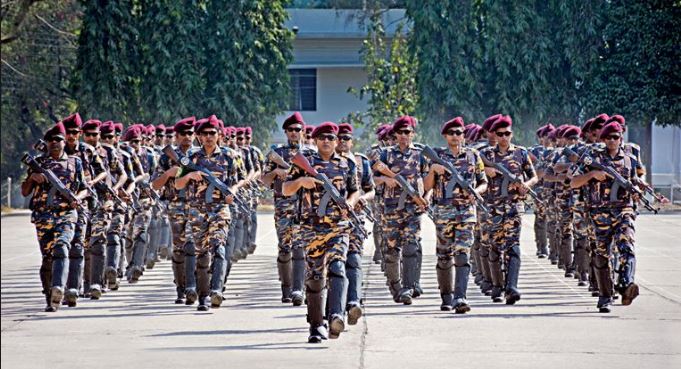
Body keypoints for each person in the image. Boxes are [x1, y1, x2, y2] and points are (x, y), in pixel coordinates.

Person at [282, 122, 360, 343]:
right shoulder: (305, 164)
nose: (327, 141)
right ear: (315, 141)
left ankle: (336, 314)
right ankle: (316, 326)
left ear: (337, 141)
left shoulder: (347, 164)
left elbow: (354, 191)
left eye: (331, 137)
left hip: (338, 227)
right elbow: (285, 189)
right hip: (311, 228)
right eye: (322, 137)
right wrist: (301, 181)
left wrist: (350, 203)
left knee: (337, 267)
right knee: (315, 278)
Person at [570, 121, 641, 313]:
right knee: (601, 256)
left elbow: (635, 182)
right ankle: (605, 296)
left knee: (627, 246)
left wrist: (637, 192)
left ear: (621, 138)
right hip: (598, 214)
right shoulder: (592, 158)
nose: (612, 141)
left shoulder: (630, 159)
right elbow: (574, 182)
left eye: (615, 137)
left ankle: (626, 284)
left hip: (623, 211)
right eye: (608, 137)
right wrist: (593, 173)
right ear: (602, 139)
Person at [21, 122, 87, 312]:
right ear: (46, 143)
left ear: (65, 141)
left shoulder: (76, 162)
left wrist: (77, 199)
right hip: (43, 217)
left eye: (58, 139)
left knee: (62, 247)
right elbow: (25, 192)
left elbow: (84, 189)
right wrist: (32, 178)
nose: (54, 143)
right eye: (50, 140)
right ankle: (50, 296)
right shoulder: (39, 164)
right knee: (48, 258)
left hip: (66, 214)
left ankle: (59, 287)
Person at [424, 117, 488, 313]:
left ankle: (460, 297)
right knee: (444, 256)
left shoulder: (473, 156)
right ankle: (446, 297)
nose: (455, 136)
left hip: (466, 213)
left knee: (462, 254)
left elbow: (483, 182)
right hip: (443, 212)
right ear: (445, 136)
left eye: (459, 133)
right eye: (451, 133)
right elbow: (426, 187)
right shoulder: (436, 156)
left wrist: (477, 191)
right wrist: (433, 171)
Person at [175, 115, 238, 311]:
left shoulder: (229, 156)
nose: (209, 137)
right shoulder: (191, 158)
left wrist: (232, 192)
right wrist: (190, 176)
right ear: (199, 136)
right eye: (205, 134)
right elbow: (177, 184)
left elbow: (237, 180)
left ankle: (216, 290)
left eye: (213, 133)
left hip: (220, 209)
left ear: (219, 135)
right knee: (201, 253)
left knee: (218, 246)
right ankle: (203, 297)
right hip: (197, 211)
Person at [480, 115, 538, 304]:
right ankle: (498, 286)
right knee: (495, 246)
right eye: (500, 134)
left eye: (507, 133)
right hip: (493, 207)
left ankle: (511, 287)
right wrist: (486, 171)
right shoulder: (486, 155)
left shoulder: (521, 153)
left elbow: (534, 177)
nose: (504, 137)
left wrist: (526, 185)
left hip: (513, 205)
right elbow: (472, 171)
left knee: (513, 246)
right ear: (495, 135)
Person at [372, 116, 428, 305]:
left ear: (413, 134)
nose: (405, 136)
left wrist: (425, 199)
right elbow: (374, 179)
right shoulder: (385, 155)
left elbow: (429, 182)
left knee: (411, 246)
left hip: (413, 208)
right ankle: (395, 285)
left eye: (408, 132)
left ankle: (408, 287)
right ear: (395, 134)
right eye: (401, 132)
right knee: (391, 250)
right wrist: (386, 180)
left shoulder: (420, 155)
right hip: (391, 208)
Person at [261, 112, 309, 305]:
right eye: (290, 130)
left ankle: (298, 289)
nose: (294, 133)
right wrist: (275, 171)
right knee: (284, 249)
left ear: (303, 131)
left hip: (304, 206)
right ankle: (286, 288)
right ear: (285, 132)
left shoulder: (311, 153)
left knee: (300, 248)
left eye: (297, 129)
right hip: (283, 206)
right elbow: (264, 181)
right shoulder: (277, 153)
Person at [152, 117, 197, 304]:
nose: (187, 137)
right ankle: (180, 288)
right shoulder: (166, 157)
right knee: (178, 249)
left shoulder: (200, 155)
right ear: (176, 137)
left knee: (192, 246)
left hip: (197, 206)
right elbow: (155, 184)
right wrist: (168, 173)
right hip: (176, 205)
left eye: (190, 133)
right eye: (183, 134)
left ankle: (192, 287)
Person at [335, 123, 375, 325]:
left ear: (352, 141)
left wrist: (363, 198)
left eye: (346, 138)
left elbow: (371, 189)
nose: (342, 141)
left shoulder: (361, 162)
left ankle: (353, 302)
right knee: (334, 266)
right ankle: (335, 310)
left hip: (355, 220)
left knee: (354, 261)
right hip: (330, 222)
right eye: (339, 137)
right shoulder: (324, 161)